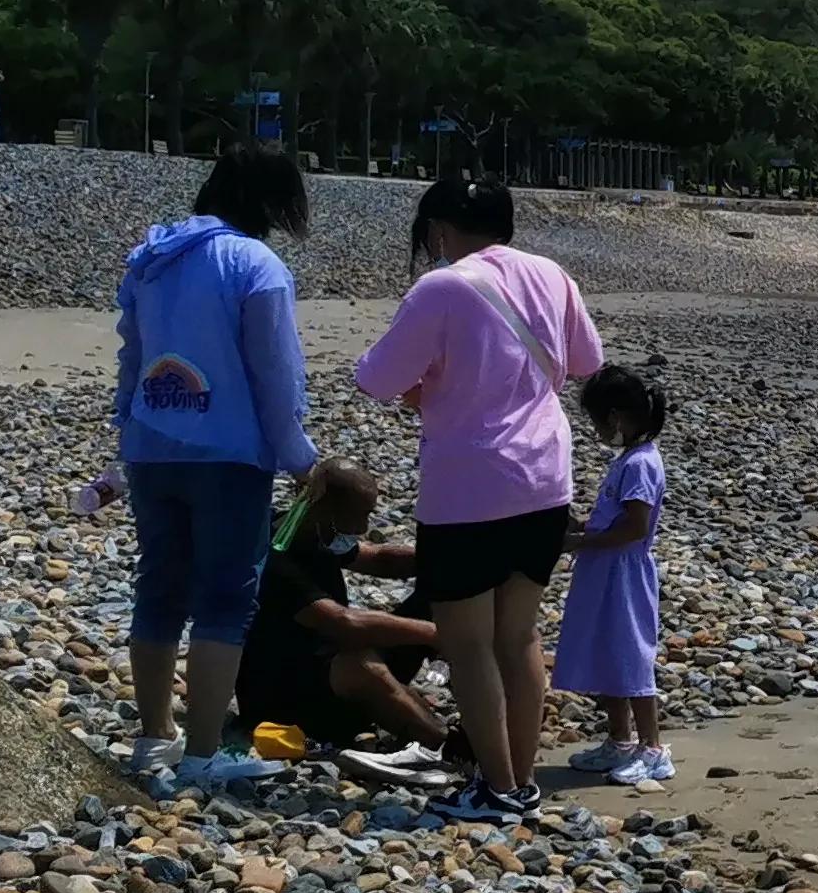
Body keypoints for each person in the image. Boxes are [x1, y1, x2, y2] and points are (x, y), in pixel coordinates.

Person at [354, 173, 602, 822]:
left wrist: (435, 381)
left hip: (468, 485)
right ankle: (518, 778)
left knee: (468, 644)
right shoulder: (552, 274)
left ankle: (497, 788)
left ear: (439, 229)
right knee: (518, 637)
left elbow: (377, 379)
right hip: (546, 478)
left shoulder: (442, 285)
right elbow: (586, 360)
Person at [112, 147, 320, 790]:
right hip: (229, 454)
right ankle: (203, 752)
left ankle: (153, 738)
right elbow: (274, 374)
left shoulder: (150, 258)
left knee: (160, 588)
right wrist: (299, 456)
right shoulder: (255, 264)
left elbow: (132, 353)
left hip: (152, 445)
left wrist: (128, 431)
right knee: (226, 600)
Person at [239, 460, 461, 791]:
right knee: (358, 662)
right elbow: (344, 623)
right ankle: (446, 746)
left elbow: (379, 558)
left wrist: (453, 557)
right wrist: (435, 636)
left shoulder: (319, 532)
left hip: (329, 677)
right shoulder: (274, 552)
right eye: (360, 515)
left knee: (439, 590)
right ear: (326, 508)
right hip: (283, 701)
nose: (363, 525)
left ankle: (460, 720)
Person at [552, 364, 674, 787]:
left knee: (630, 656)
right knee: (607, 653)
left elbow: (636, 527)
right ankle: (620, 740)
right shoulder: (628, 459)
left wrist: (580, 543)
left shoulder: (640, 464)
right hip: (605, 570)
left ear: (616, 418)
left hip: (623, 573)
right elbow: (614, 520)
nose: (599, 433)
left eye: (599, 424)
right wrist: (582, 527)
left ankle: (653, 749)